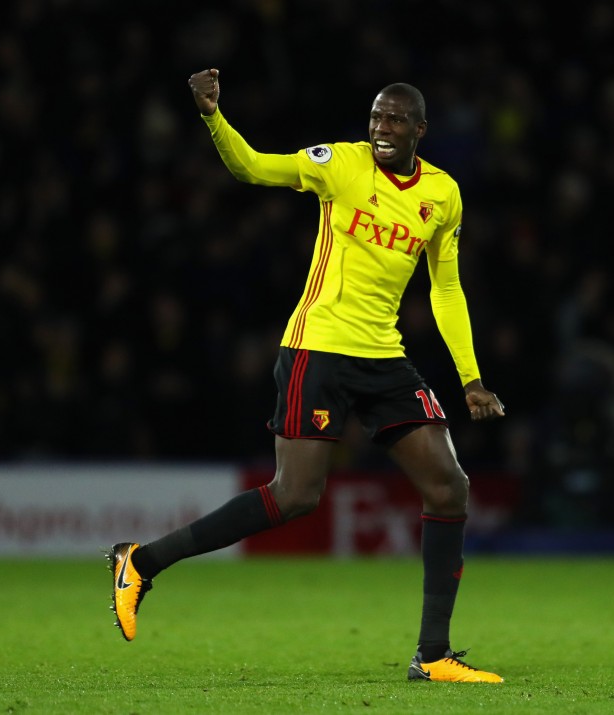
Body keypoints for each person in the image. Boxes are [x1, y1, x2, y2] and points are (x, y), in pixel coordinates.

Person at [109, 68, 507, 684]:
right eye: (376, 116)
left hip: (383, 355)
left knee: (449, 487)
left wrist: (471, 379)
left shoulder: (443, 195)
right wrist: (213, 115)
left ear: (420, 131)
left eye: (396, 118)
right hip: (316, 348)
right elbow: (253, 168)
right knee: (296, 496)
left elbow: (446, 289)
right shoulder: (339, 165)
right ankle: (142, 561)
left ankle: (433, 655)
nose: (382, 127)